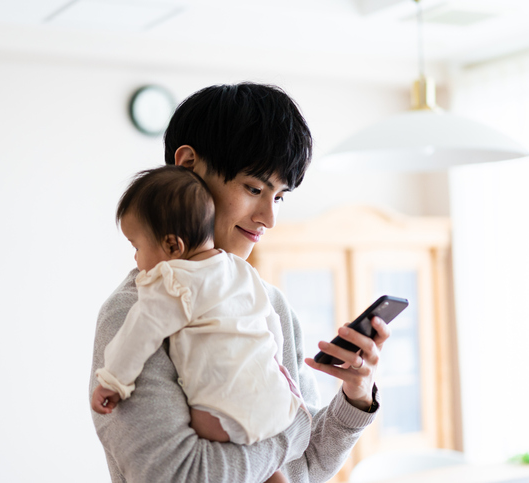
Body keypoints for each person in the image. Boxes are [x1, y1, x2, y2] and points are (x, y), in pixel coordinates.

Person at [89, 82, 391, 482]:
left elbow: (306, 470)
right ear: (188, 165)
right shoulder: (132, 312)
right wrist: (294, 432)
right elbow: (179, 474)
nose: (269, 217)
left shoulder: (270, 302)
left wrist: (356, 396)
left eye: (279, 197)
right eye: (254, 188)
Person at [91, 165, 302, 483]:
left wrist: (113, 382)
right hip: (276, 402)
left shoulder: (171, 281)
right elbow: (272, 328)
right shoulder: (244, 273)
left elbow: (139, 333)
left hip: (223, 416)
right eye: (255, 189)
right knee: (266, 463)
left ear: (173, 246)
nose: (136, 259)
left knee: (208, 426)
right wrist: (279, 378)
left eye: (137, 247)